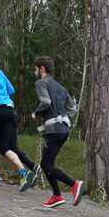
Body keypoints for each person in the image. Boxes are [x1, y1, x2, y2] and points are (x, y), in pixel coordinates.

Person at [0, 48, 40, 192]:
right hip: (9, 109)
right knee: (5, 148)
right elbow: (11, 90)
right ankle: (24, 172)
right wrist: (2, 95)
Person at [31, 56, 83, 208]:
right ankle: (57, 195)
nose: (35, 73)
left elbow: (45, 101)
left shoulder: (41, 82)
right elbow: (73, 108)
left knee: (47, 166)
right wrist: (63, 117)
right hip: (63, 129)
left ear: (42, 69)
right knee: (47, 164)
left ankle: (74, 184)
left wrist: (36, 113)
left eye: (36, 69)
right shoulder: (61, 87)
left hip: (53, 130)